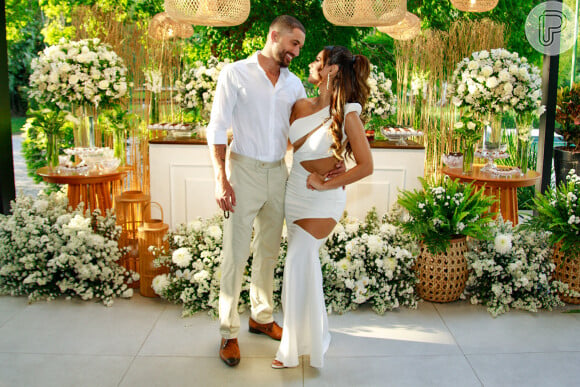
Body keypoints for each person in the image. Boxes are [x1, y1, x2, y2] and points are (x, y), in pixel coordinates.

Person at [206, 15, 311, 368]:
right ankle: (228, 332)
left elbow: (303, 132)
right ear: (274, 35)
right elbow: (217, 127)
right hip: (244, 170)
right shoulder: (235, 73)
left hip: (278, 172)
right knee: (235, 254)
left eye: (300, 46)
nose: (297, 51)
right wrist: (221, 178)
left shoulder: (295, 84)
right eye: (293, 43)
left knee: (268, 250)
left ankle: (261, 317)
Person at [272, 46, 373, 369]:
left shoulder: (348, 113)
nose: (312, 64)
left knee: (298, 260)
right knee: (301, 265)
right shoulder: (300, 105)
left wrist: (327, 182)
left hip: (323, 201)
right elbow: (285, 144)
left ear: (330, 70)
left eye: (318, 60)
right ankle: (310, 337)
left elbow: (367, 166)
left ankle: (296, 348)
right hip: (294, 195)